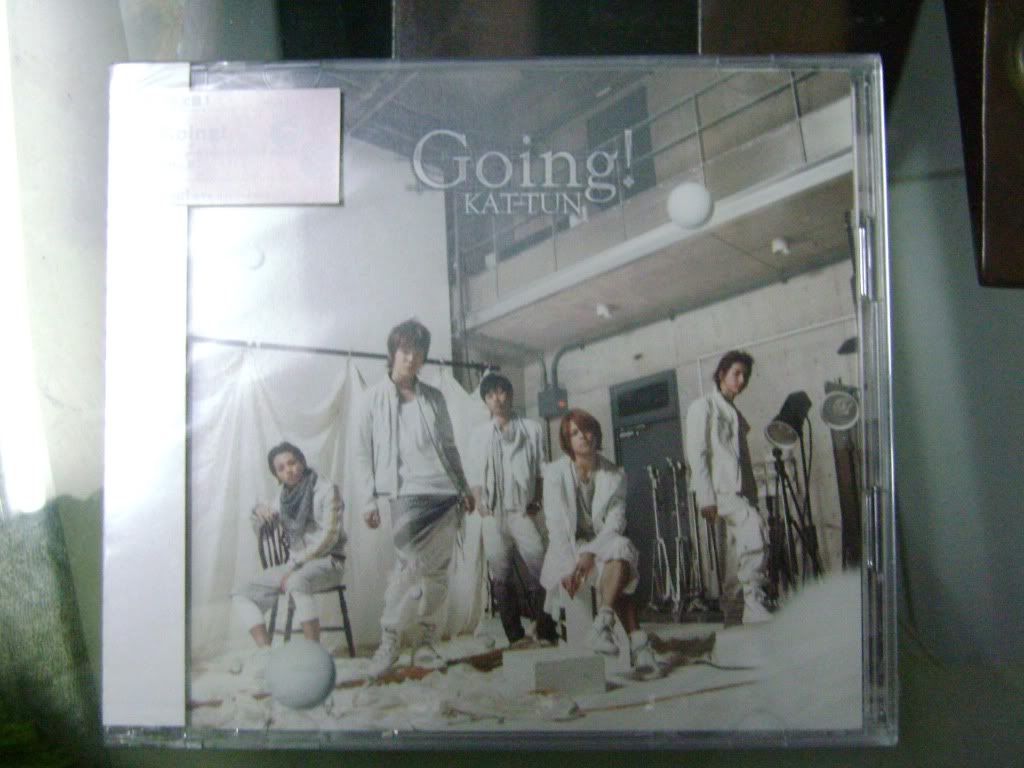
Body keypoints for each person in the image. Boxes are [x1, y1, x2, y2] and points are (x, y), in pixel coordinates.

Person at [354, 318, 474, 676]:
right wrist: (368, 499)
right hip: (405, 493)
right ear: (393, 352)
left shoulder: (434, 397)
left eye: (419, 352)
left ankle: (426, 643)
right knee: (407, 571)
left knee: (437, 573)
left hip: (445, 493)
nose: (412, 358)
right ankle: (390, 642)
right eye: (406, 350)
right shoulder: (371, 398)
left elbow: (449, 447)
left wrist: (464, 487)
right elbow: (362, 453)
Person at [539, 408, 661, 677]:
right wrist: (571, 565)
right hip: (567, 547)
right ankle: (636, 642)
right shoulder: (555, 473)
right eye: (575, 433)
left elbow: (615, 523)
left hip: (601, 543)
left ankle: (603, 624)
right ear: (567, 442)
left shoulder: (614, 474)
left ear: (596, 433)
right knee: (620, 565)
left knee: (621, 549)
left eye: (587, 430)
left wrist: (592, 553)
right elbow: (556, 527)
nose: (583, 436)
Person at [468, 373, 559, 646]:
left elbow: (541, 470)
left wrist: (537, 501)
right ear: (486, 401)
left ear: (510, 394)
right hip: (493, 514)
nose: (497, 399)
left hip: (521, 511)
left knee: (542, 567)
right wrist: (479, 502)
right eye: (490, 395)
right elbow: (474, 474)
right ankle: (515, 636)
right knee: (501, 576)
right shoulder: (479, 435)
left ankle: (545, 630)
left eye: (501, 392)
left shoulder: (532, 429)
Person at [684, 350, 772, 624]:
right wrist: (705, 498)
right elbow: (696, 453)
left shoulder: (734, 413)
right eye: (737, 373)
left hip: (741, 491)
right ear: (721, 374)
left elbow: (741, 460)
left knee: (736, 552)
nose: (742, 380)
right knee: (755, 529)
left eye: (745, 376)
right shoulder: (703, 407)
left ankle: (734, 614)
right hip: (719, 491)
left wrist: (752, 496)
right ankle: (753, 600)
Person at [233, 442, 346, 647]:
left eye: (292, 463)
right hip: (293, 566)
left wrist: (296, 564)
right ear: (277, 475)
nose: (288, 470)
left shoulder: (327, 490)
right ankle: (266, 652)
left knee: (296, 581)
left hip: (328, 562)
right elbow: (261, 524)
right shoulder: (283, 498)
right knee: (241, 592)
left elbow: (330, 537)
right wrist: (258, 510)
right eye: (281, 468)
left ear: (302, 461)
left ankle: (313, 651)